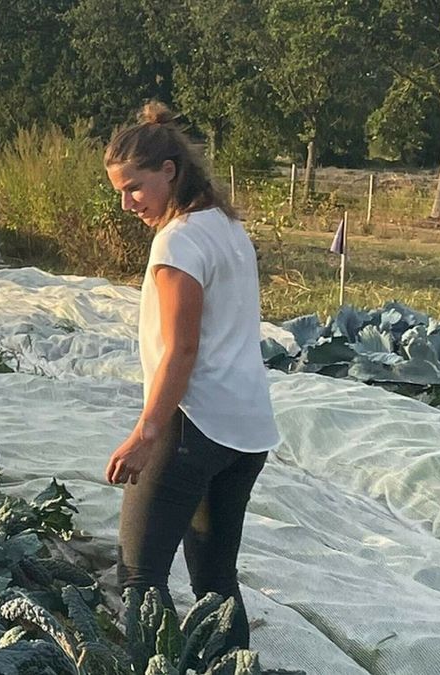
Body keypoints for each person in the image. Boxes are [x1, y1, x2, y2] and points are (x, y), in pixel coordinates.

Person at [103, 101, 280, 651]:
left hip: (194, 425)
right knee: (215, 582)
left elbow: (182, 351)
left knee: (139, 573)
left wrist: (145, 434)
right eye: (119, 192)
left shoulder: (177, 240)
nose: (128, 203)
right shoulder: (225, 226)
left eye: (134, 187)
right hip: (247, 430)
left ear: (169, 172)